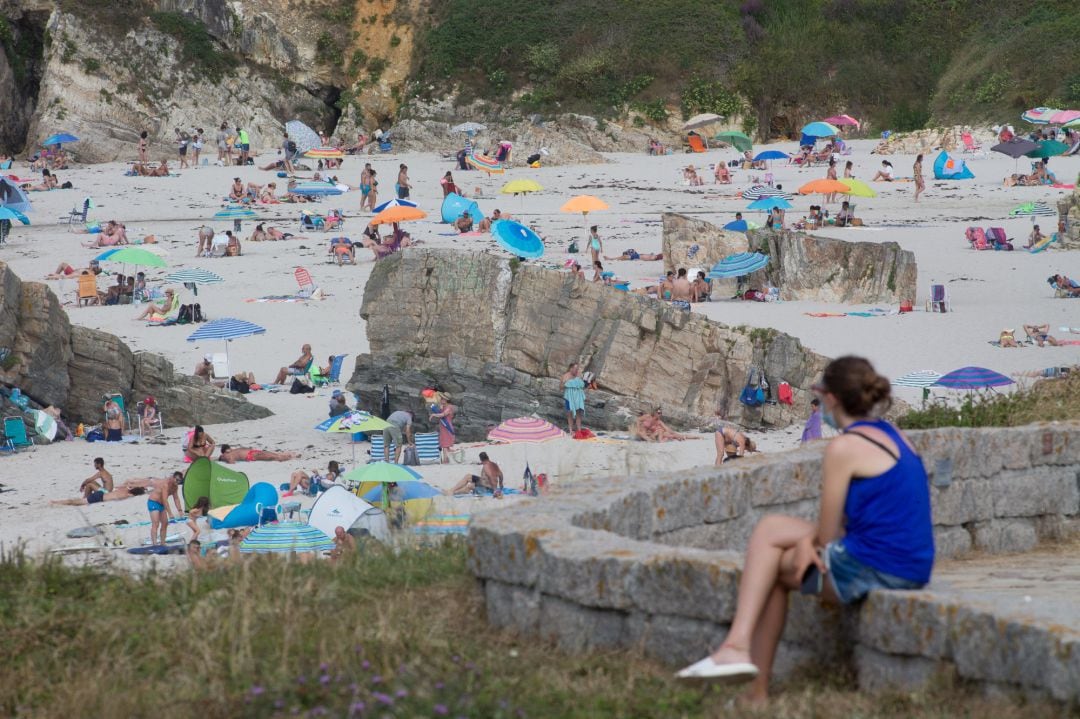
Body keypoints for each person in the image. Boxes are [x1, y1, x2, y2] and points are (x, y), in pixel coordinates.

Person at [677, 356, 934, 699]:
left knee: (772, 571)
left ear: (829, 398)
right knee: (770, 528)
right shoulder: (894, 434)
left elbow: (829, 537)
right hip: (914, 560)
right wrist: (807, 542)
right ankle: (739, 659)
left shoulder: (844, 447)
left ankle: (744, 665)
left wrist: (808, 546)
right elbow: (851, 521)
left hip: (882, 565)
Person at [147, 473, 183, 546]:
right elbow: (164, 499)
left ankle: (162, 543)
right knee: (156, 524)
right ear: (173, 478)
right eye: (177, 480)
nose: (177, 482)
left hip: (162, 505)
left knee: (165, 523)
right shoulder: (165, 484)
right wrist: (170, 513)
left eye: (179, 481)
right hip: (153, 502)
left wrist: (180, 510)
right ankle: (154, 544)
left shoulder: (175, 487)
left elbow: (176, 498)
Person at [51, 482, 147, 506]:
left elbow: (127, 484)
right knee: (75, 502)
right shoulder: (127, 495)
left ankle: (57, 501)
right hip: (99, 498)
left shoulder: (125, 489)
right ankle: (56, 502)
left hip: (101, 494)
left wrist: (141, 487)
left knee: (78, 501)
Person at [429, 392, 456, 464]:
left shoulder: (449, 407)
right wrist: (440, 408)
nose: (441, 399)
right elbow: (441, 414)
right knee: (445, 445)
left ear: (446, 400)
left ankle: (445, 460)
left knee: (445, 444)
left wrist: (434, 414)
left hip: (447, 427)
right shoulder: (444, 406)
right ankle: (447, 459)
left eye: (442, 398)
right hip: (443, 427)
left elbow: (443, 415)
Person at [562, 363, 586, 434]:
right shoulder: (565, 376)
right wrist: (567, 384)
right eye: (576, 369)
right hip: (569, 397)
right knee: (570, 413)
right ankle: (570, 430)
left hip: (578, 396)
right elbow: (560, 387)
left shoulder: (579, 375)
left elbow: (582, 386)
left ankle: (579, 429)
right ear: (571, 368)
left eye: (577, 369)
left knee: (579, 413)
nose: (577, 371)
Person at [219, 444, 300, 463]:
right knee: (272, 457)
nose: (231, 449)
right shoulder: (228, 455)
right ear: (226, 450)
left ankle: (288, 456)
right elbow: (231, 461)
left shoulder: (233, 451)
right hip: (251, 455)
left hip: (252, 453)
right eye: (229, 449)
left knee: (272, 455)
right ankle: (289, 457)